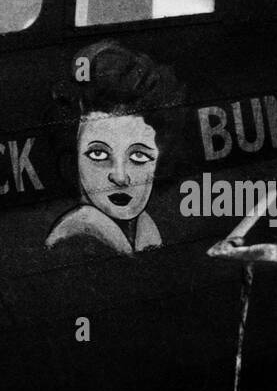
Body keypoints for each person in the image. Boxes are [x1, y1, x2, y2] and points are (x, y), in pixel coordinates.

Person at [45, 40, 185, 255]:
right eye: (98, 154)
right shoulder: (75, 244)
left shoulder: (144, 234)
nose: (120, 177)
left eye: (138, 155)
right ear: (72, 158)